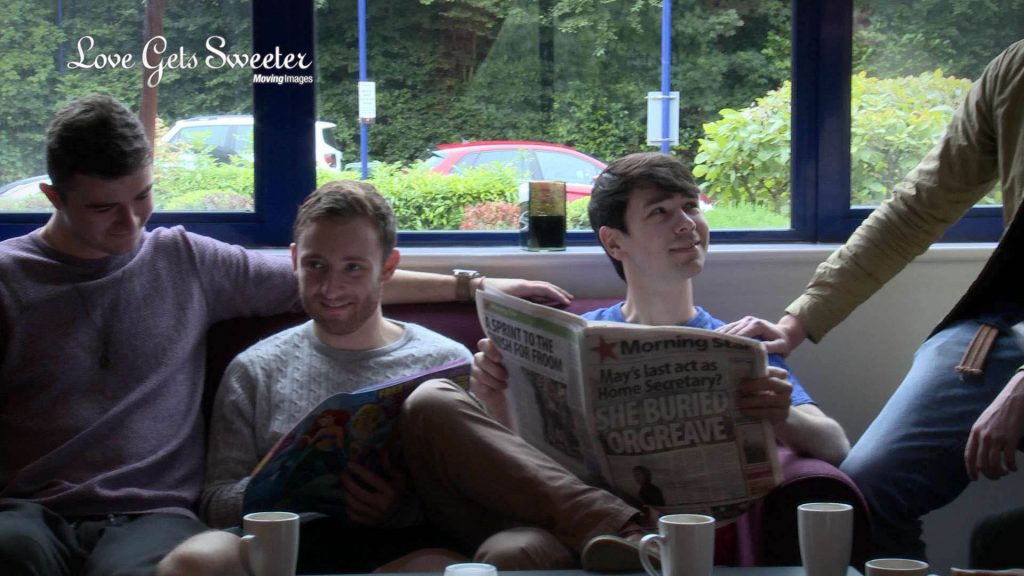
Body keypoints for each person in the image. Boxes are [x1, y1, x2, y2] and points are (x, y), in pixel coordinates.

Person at [0, 93, 570, 576]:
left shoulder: (183, 260)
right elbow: (322, 276)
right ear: (53, 197)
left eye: (143, 198)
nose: (131, 225)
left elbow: (340, 277)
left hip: (150, 512)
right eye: (105, 209)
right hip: (26, 506)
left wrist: (476, 287)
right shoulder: (10, 279)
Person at [156, 180, 649, 575]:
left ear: (387, 269)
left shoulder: (443, 358)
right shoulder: (254, 368)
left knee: (432, 409)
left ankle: (617, 527)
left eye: (353, 268)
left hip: (405, 548)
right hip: (286, 548)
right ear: (292, 261)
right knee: (197, 557)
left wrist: (398, 505)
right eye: (314, 265)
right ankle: (624, 526)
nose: (331, 287)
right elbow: (214, 502)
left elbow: (484, 484)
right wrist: (282, 490)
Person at [471, 151, 851, 569]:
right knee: (505, 553)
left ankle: (642, 548)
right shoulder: (574, 339)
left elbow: (835, 446)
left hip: (696, 534)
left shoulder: (738, 343)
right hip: (581, 529)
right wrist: (495, 398)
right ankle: (626, 537)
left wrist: (782, 416)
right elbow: (529, 465)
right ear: (614, 242)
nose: (687, 223)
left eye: (691, 206)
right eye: (660, 212)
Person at [719, 40, 1024, 560]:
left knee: (995, 543)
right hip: (1006, 327)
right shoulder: (1014, 72)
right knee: (862, 496)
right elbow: (915, 209)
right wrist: (798, 321)